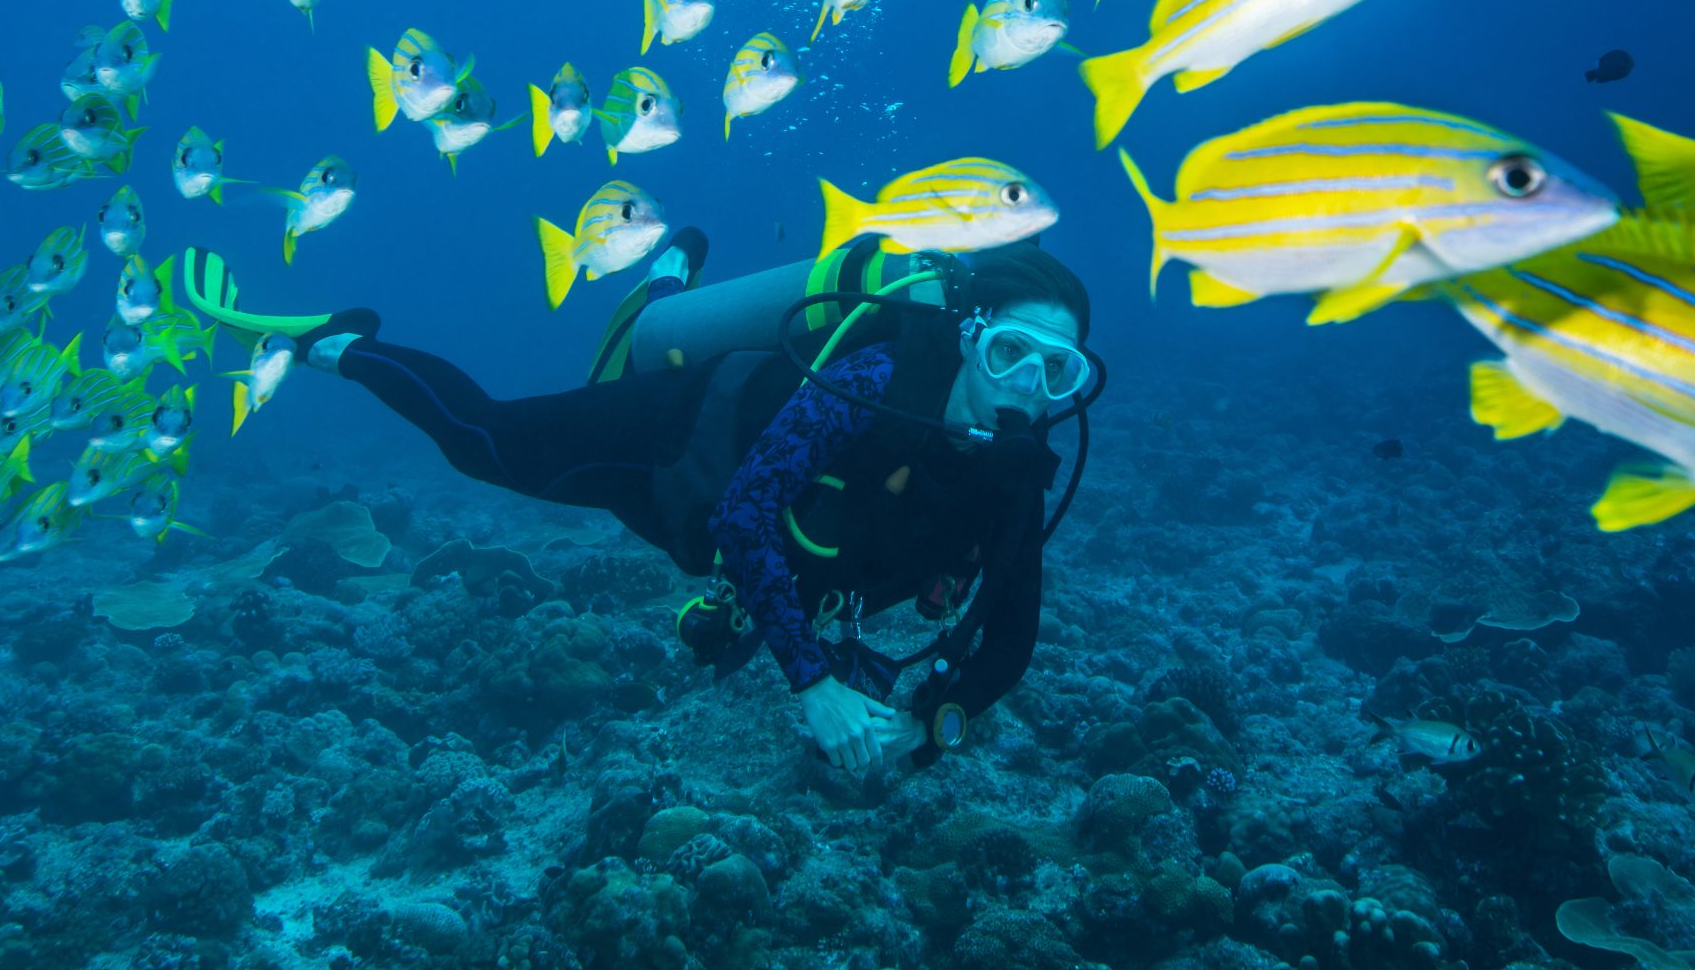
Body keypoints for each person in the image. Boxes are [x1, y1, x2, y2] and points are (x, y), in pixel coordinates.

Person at [177, 230, 1102, 773]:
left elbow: (1010, 637)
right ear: (970, 337)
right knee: (490, 443)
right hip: (682, 445)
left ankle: (664, 285)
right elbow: (746, 513)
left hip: (741, 542)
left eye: (1055, 369)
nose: (1026, 386)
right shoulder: (876, 374)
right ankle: (337, 341)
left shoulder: (1017, 476)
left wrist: (930, 724)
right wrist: (815, 686)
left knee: (744, 589)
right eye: (1010, 351)